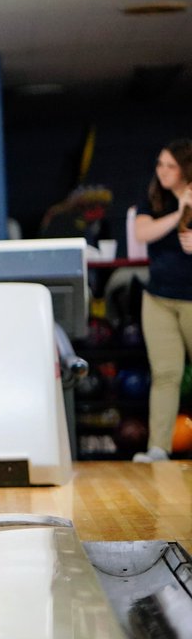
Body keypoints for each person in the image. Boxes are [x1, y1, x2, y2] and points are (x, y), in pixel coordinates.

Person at [131, 138, 192, 462]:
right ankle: (159, 447)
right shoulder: (154, 197)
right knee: (166, 373)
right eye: (160, 164)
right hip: (159, 296)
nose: (163, 171)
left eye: (171, 165)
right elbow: (142, 233)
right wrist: (178, 214)